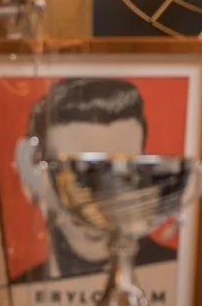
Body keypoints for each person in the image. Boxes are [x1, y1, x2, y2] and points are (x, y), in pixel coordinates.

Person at [10, 77, 176, 285]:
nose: (98, 203)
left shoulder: (178, 282)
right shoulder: (11, 299)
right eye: (75, 173)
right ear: (31, 182)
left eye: (121, 172)